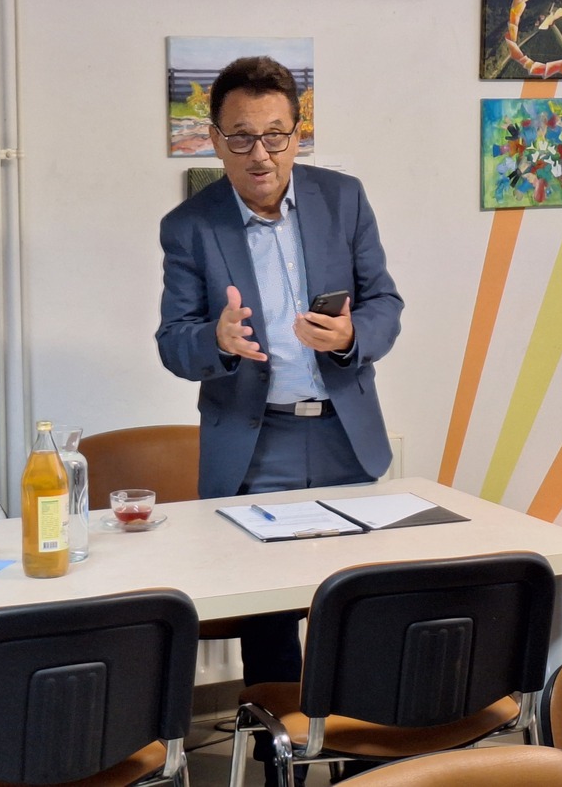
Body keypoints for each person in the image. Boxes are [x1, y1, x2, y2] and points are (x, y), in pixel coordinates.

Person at [156, 55, 402, 783]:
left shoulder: (342, 199)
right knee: (270, 620)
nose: (259, 154)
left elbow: (385, 303)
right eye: (241, 137)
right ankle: (279, 770)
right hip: (255, 443)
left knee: (357, 609)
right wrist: (216, 341)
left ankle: (361, 767)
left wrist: (352, 336)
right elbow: (173, 341)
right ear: (214, 139)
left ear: (299, 134)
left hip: (343, 434)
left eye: (275, 135)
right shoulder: (190, 226)